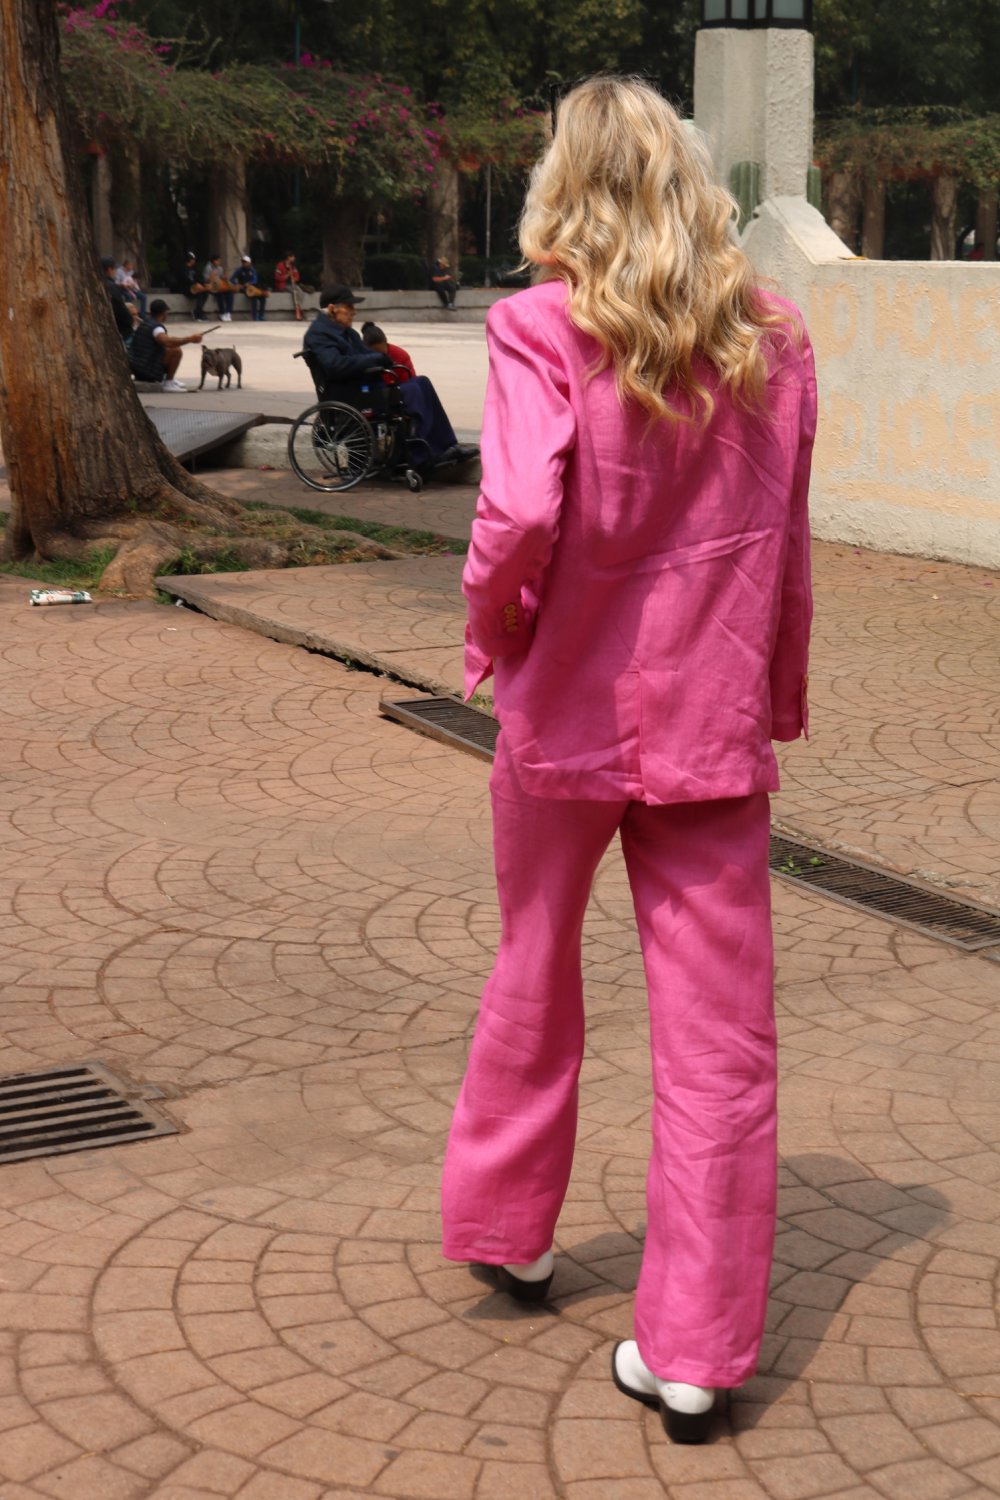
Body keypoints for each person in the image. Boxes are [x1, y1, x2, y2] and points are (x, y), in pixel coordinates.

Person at [439, 76, 816, 1444]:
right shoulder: (773, 339)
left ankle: (511, 1230)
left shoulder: (539, 326)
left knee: (534, 971)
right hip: (710, 724)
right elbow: (784, 548)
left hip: (564, 716)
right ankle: (697, 1353)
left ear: (566, 184)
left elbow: (518, 513)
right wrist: (773, 692)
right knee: (722, 1040)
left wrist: (495, 633)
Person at [361, 321, 477, 464]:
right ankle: (421, 450)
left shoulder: (398, 354)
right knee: (413, 390)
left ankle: (449, 444)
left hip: (398, 393)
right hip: (376, 396)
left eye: (382, 352)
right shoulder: (362, 358)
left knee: (423, 382)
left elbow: (409, 378)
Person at [128, 298, 203, 391]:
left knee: (169, 348)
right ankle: (168, 382)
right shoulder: (156, 328)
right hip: (146, 370)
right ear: (163, 313)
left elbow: (168, 339)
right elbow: (167, 342)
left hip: (138, 367)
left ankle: (168, 380)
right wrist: (190, 339)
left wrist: (188, 338)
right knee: (176, 350)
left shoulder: (146, 323)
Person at [100, 256, 139, 344]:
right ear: (109, 269)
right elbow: (119, 307)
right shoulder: (111, 286)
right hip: (120, 329)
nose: (116, 272)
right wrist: (130, 320)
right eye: (115, 269)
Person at [231, 254, 268, 320]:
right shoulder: (239, 270)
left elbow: (255, 280)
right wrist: (237, 284)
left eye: (245, 262)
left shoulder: (252, 270)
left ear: (249, 262)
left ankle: (261, 315)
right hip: (243, 288)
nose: (244, 263)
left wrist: (250, 283)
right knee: (254, 297)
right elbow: (232, 279)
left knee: (263, 297)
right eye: (243, 262)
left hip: (252, 287)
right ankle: (255, 316)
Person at [176, 252, 209, 321]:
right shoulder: (182, 268)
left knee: (205, 293)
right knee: (199, 293)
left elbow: (198, 278)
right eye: (193, 259)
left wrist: (204, 283)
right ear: (189, 260)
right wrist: (195, 284)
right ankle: (198, 315)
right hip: (186, 288)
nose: (194, 261)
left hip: (194, 287)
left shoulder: (194, 269)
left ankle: (198, 310)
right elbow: (185, 279)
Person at [204, 255, 234, 321]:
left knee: (230, 293)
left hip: (220, 286)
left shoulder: (220, 268)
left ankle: (228, 312)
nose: (219, 262)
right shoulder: (208, 268)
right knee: (220, 295)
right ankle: (222, 313)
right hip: (211, 286)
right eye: (218, 260)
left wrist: (225, 277)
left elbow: (222, 278)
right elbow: (205, 279)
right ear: (214, 261)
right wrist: (211, 276)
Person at [275, 252, 304, 320]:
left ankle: (299, 308)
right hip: (283, 285)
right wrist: (287, 275)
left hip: (292, 284)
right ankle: (298, 311)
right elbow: (277, 277)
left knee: (301, 292)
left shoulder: (293, 266)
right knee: (295, 293)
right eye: (293, 257)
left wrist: (294, 279)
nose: (294, 258)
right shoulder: (280, 265)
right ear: (288, 257)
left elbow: (297, 276)